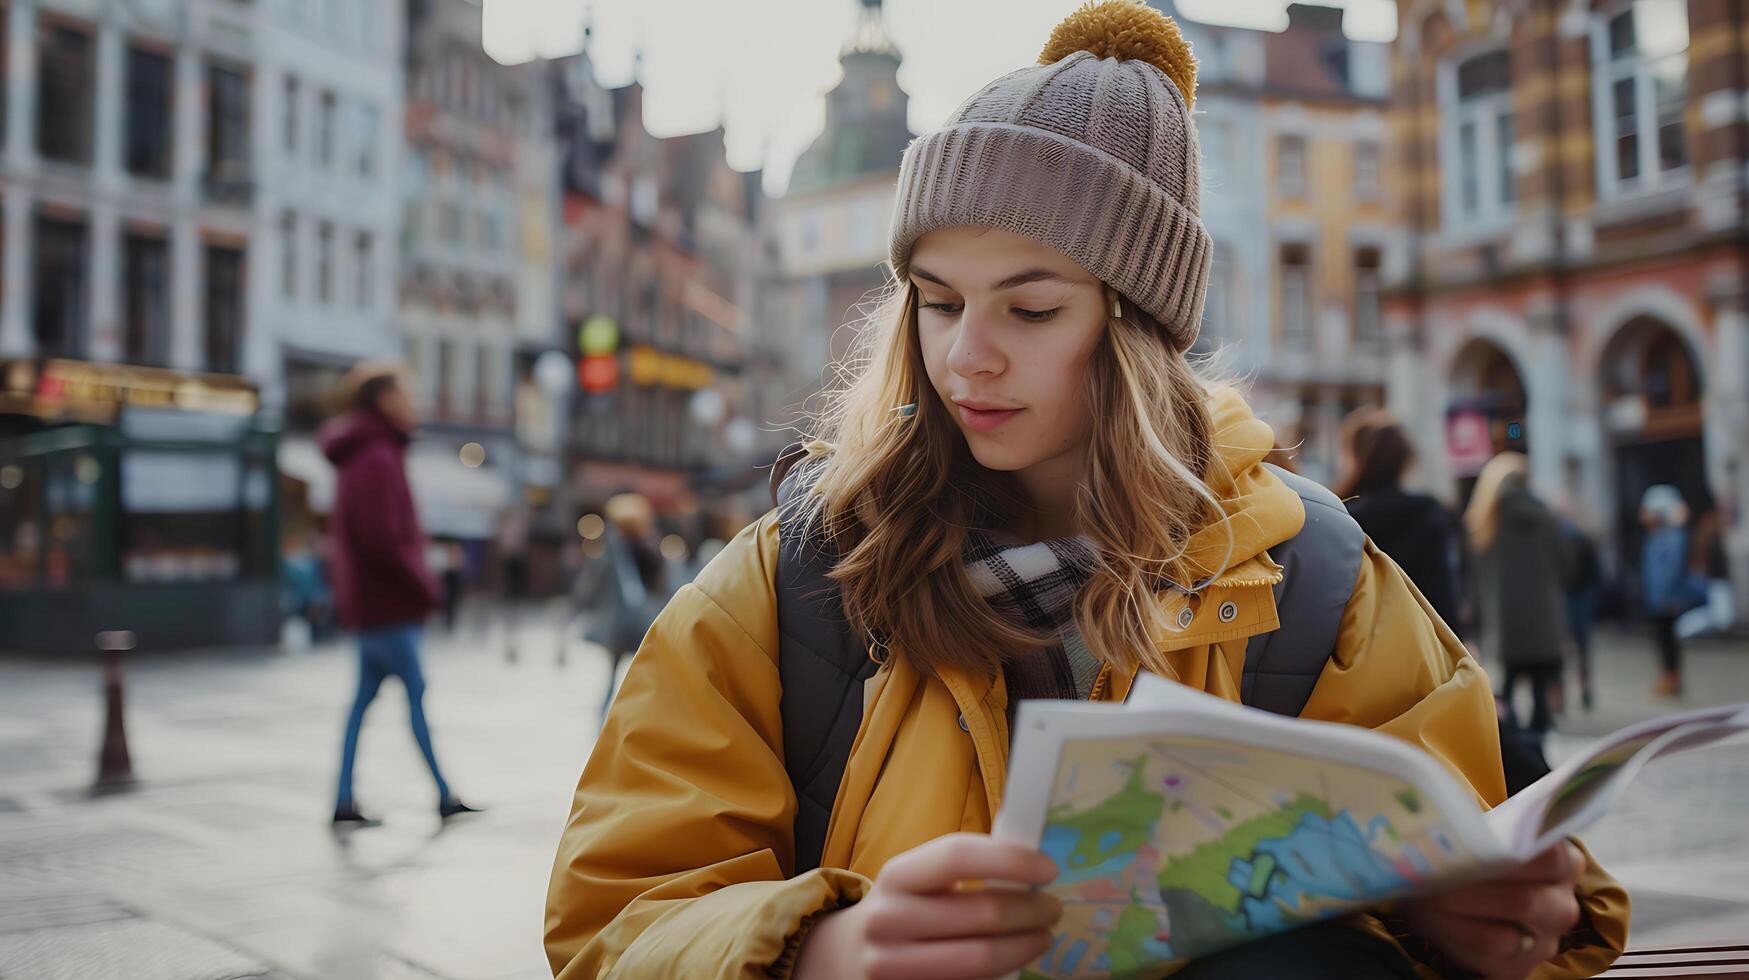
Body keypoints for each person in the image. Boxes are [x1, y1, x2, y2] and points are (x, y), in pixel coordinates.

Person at [544, 5, 1627, 977]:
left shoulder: (1313, 575)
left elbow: (1489, 845)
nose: (965, 356)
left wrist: (1480, 917)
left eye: (1029, 308)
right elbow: (615, 913)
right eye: (936, 300)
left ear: (1136, 330)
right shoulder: (794, 578)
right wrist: (819, 948)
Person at [321, 362, 480, 827]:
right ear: (384, 400)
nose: (415, 403)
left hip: (370, 605)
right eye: (407, 394)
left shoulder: (365, 455)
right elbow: (383, 541)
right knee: (415, 696)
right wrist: (425, 586)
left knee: (363, 703)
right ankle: (443, 795)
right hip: (388, 606)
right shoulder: (377, 458)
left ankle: (345, 798)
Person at [1464, 453, 1571, 735]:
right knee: (1540, 699)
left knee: (1502, 703)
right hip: (1543, 622)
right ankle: (1540, 758)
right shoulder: (1546, 514)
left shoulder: (1484, 518)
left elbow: (1471, 577)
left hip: (1503, 625)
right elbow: (1566, 563)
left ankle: (1512, 763)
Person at [1334, 408, 1461, 629]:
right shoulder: (1429, 512)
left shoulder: (1341, 517)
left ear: (1353, 456)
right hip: (1421, 644)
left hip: (1359, 649)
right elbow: (1443, 598)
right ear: (1405, 460)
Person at [1640, 484, 1698, 697]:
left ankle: (1672, 679)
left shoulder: (1672, 536)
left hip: (1666, 600)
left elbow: (1671, 569)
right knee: (1662, 640)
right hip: (1657, 598)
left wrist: (1667, 595)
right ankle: (1667, 677)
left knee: (1668, 641)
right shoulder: (1657, 536)